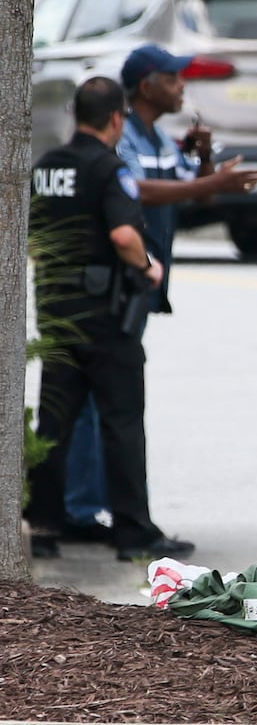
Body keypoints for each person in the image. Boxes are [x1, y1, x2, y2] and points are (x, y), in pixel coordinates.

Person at [60, 44, 257, 541]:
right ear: (148, 85)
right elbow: (136, 190)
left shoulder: (161, 138)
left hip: (142, 284)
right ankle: (82, 509)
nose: (182, 88)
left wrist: (203, 164)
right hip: (117, 280)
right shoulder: (122, 133)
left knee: (111, 396)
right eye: (174, 79)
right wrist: (206, 183)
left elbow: (197, 196)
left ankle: (98, 504)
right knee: (98, 397)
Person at [25, 77, 196, 564]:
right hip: (106, 317)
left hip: (58, 313)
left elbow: (34, 236)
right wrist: (149, 266)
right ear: (117, 119)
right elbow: (124, 234)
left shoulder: (46, 166)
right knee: (121, 421)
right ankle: (133, 533)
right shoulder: (108, 167)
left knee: (55, 420)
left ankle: (42, 526)